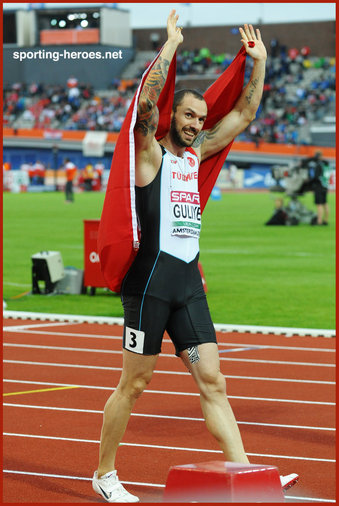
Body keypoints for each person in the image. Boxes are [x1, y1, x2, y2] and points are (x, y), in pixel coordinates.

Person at [93, 11, 298, 502]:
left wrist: (260, 65)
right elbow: (144, 104)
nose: (196, 126)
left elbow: (244, 116)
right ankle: (104, 474)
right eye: (189, 116)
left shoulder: (195, 155)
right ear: (172, 117)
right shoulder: (150, 154)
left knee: (214, 380)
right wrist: (168, 47)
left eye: (201, 120)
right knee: (135, 383)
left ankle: (248, 473)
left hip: (187, 283)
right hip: (148, 285)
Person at [306, 151, 331, 225]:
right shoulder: (326, 164)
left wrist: (309, 182)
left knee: (319, 204)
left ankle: (319, 221)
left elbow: (316, 177)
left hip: (318, 187)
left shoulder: (318, 165)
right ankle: (326, 220)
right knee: (325, 203)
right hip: (325, 186)